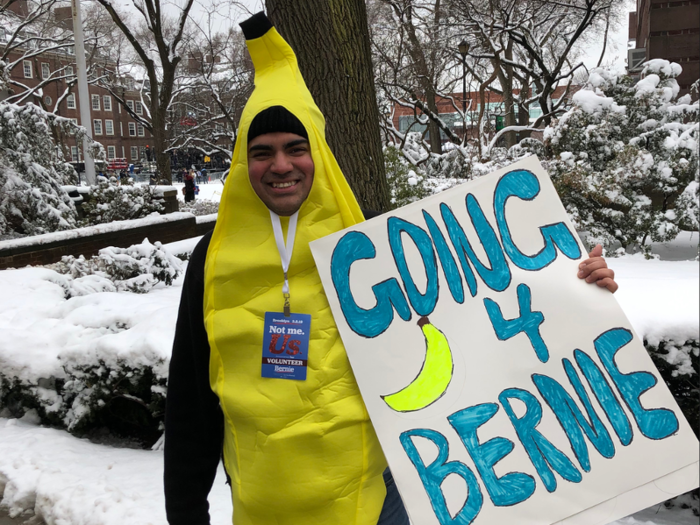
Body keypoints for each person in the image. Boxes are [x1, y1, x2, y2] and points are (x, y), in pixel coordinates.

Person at [163, 12, 618, 525]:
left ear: (321, 155)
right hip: (264, 507)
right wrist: (185, 512)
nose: (281, 165)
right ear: (244, 165)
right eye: (262, 152)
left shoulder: (377, 249)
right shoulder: (212, 260)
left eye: (296, 148)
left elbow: (483, 323)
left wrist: (577, 290)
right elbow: (191, 404)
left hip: (383, 503)